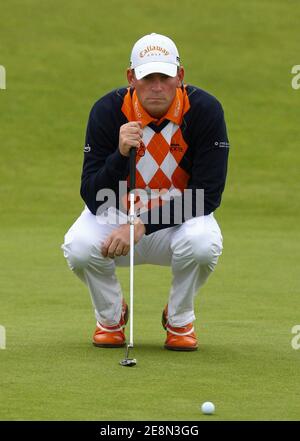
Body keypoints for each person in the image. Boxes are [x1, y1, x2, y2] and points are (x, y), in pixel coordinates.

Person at [62, 33, 229, 351]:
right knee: (79, 246)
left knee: (204, 244)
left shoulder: (205, 110)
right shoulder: (108, 111)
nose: (156, 86)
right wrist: (119, 155)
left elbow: (208, 196)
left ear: (179, 76)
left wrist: (142, 225)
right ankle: (110, 318)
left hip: (175, 225)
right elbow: (92, 197)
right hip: (117, 215)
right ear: (131, 78)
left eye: (164, 77)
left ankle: (179, 321)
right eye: (147, 76)